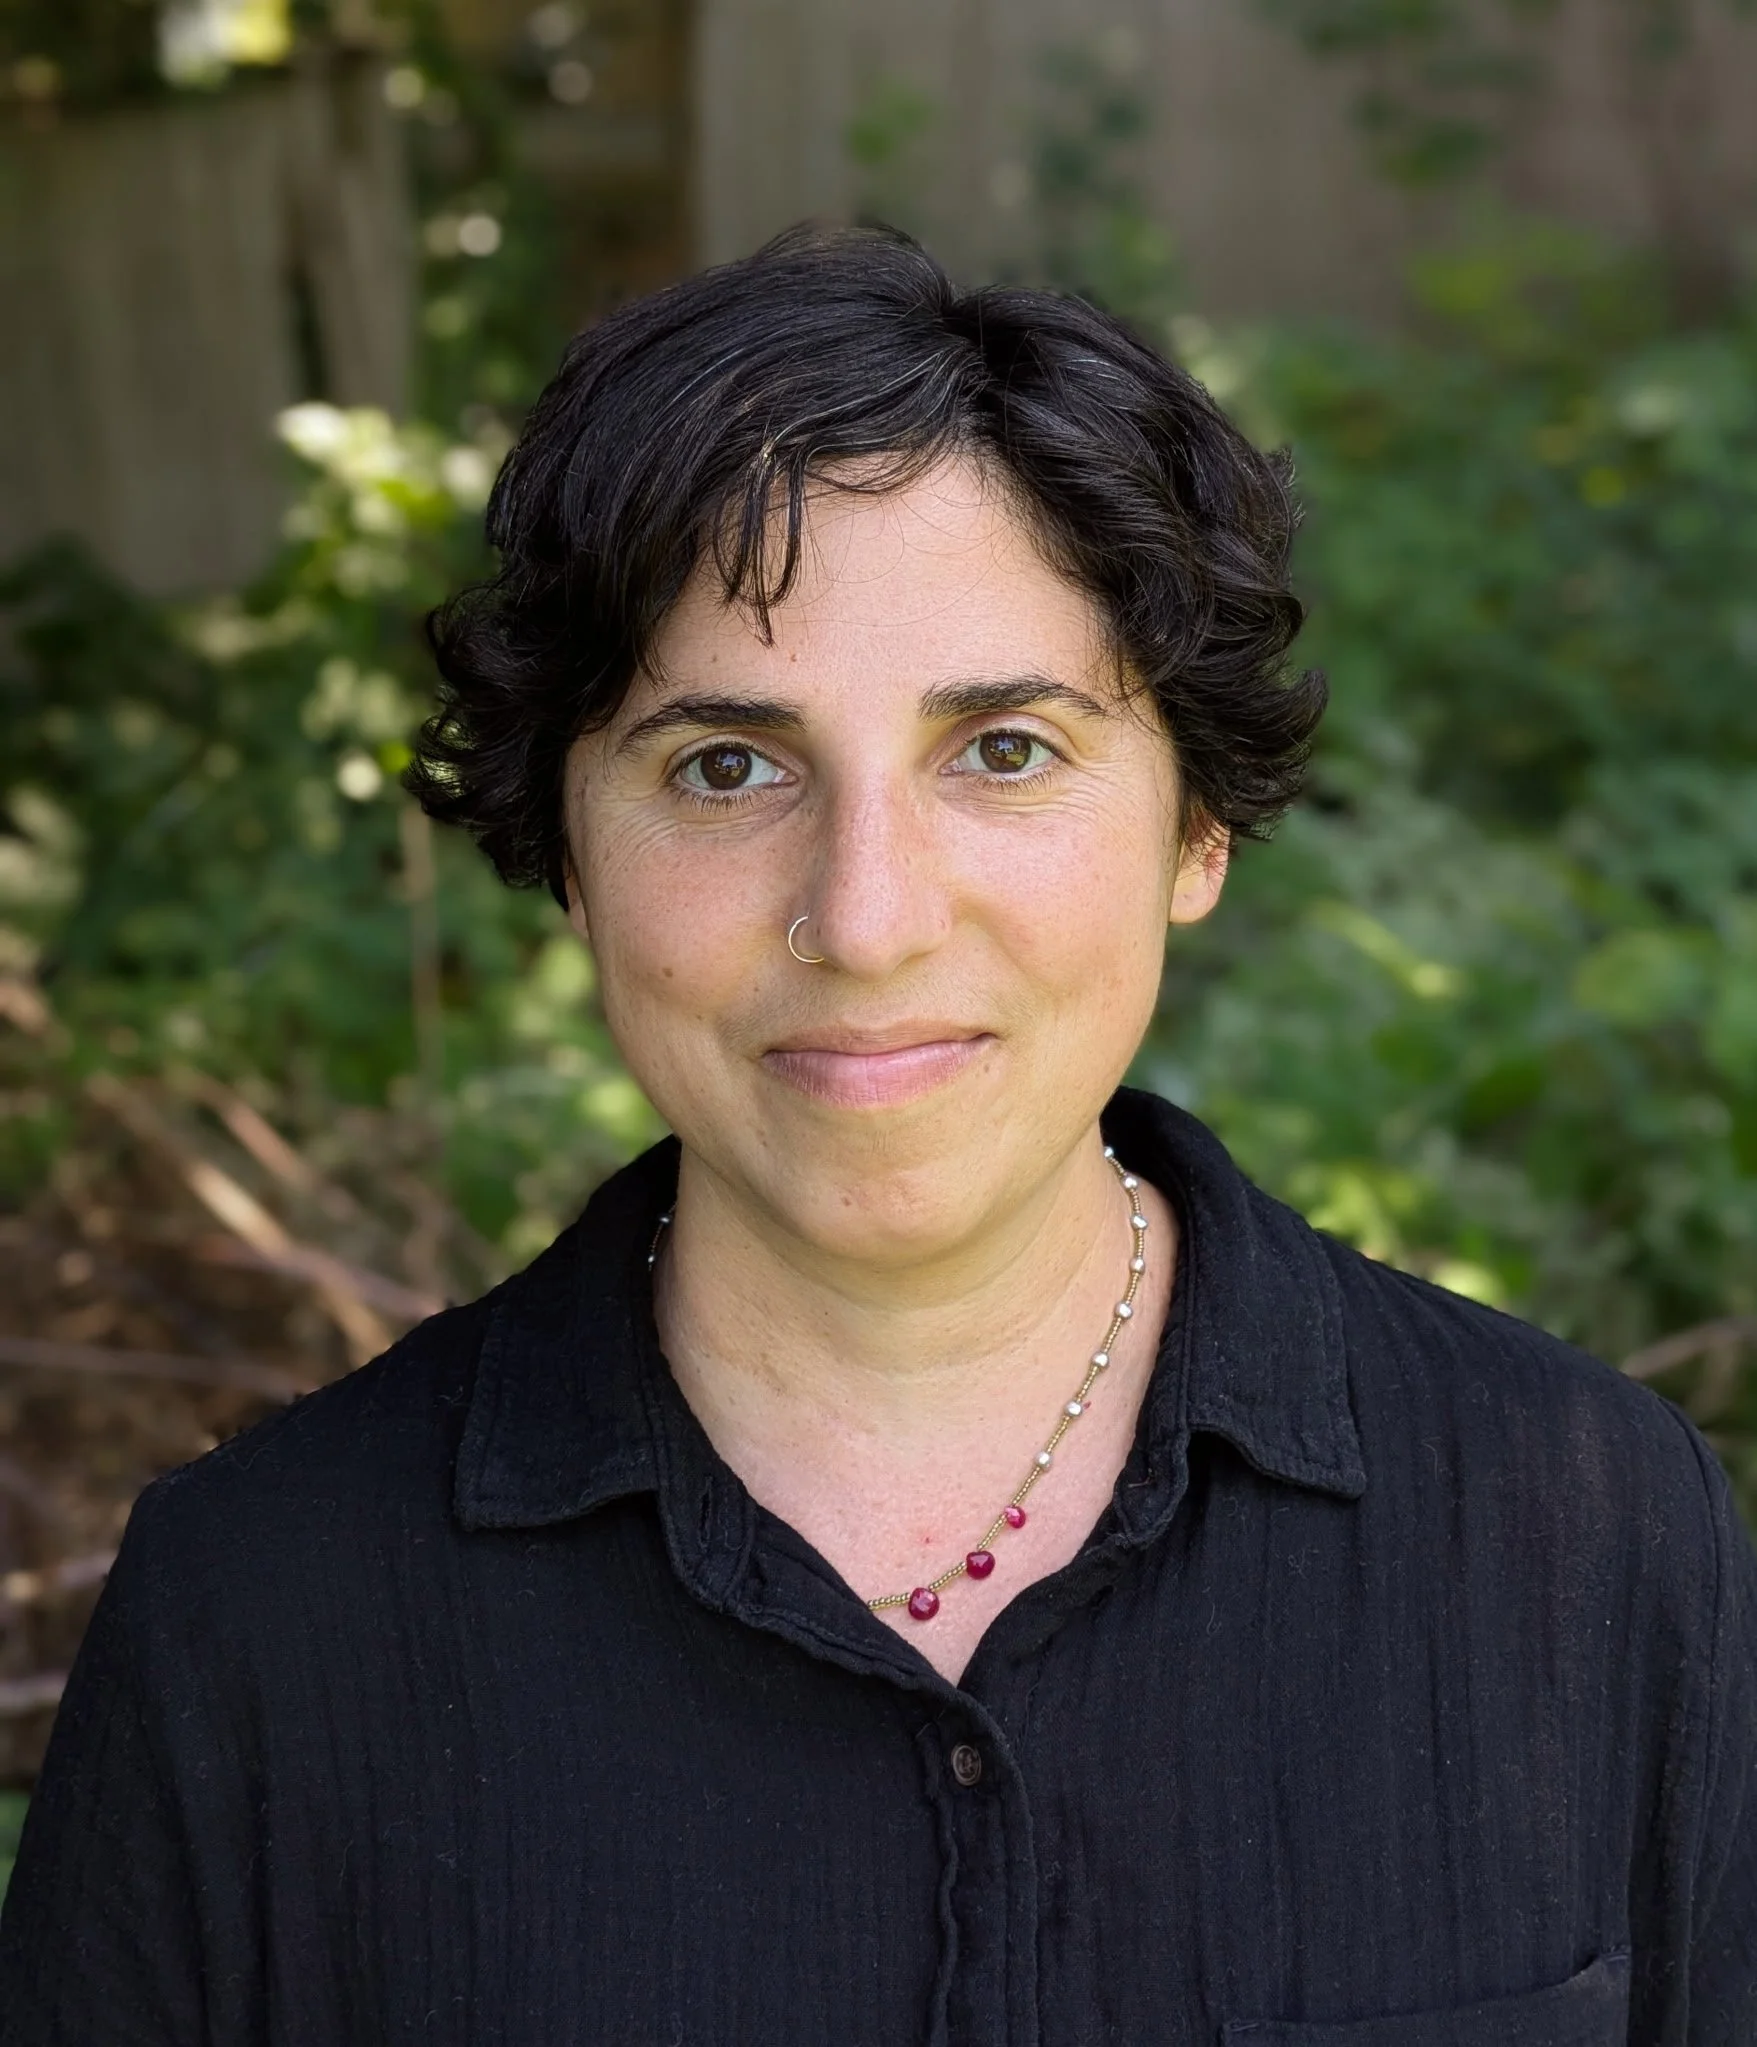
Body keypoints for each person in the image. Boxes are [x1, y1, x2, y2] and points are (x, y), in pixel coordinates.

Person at [1, 223, 1752, 2046]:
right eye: (726, 766)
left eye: (1002, 748)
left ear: (1196, 828)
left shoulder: (1592, 1535)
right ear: (571, 863)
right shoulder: (258, 1625)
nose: (869, 915)